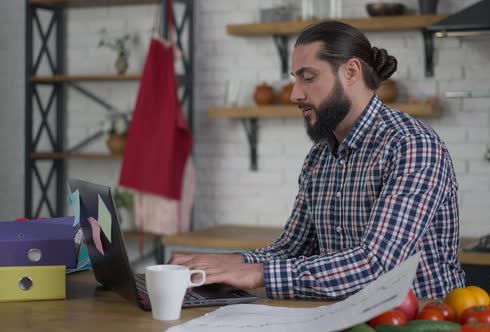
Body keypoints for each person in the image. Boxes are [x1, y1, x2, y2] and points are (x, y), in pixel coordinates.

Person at [170, 21, 465, 300]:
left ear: (351, 72)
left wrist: (257, 273)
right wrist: (227, 263)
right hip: (347, 316)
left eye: (308, 78)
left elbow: (376, 264)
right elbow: (291, 249)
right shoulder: (320, 157)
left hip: (424, 319)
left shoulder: (412, 146)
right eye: (295, 80)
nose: (295, 94)